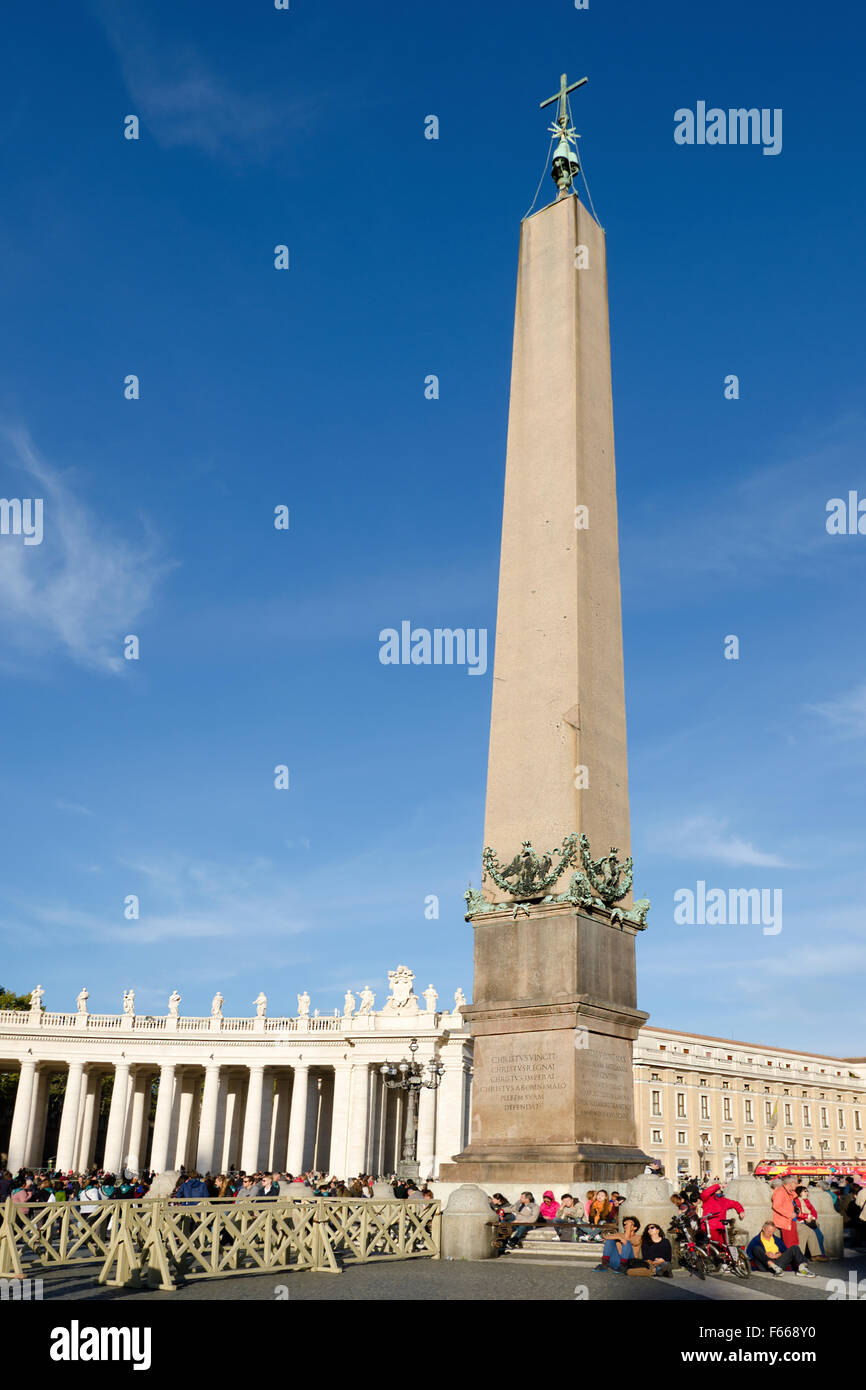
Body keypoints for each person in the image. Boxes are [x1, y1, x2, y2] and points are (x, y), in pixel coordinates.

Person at [746, 1221, 815, 1277]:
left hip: (778, 1263)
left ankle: (802, 1268)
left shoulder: (776, 1239)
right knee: (756, 1248)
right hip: (765, 1264)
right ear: (763, 1229)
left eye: (772, 1232)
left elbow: (785, 1251)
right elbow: (749, 1254)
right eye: (769, 1232)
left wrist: (779, 1254)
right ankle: (773, 1266)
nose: (770, 1234)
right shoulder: (756, 1240)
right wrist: (765, 1254)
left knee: (794, 1247)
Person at [793, 1185, 825, 1259]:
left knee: (820, 1236)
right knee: (813, 1235)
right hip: (801, 1222)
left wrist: (812, 1217)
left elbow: (813, 1211)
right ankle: (817, 1255)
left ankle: (820, 1254)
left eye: (807, 1191)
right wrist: (806, 1217)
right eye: (805, 1191)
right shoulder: (796, 1201)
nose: (807, 1193)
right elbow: (797, 1213)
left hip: (811, 1221)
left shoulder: (807, 1200)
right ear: (799, 1192)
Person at [771, 1176, 800, 1249]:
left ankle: (796, 1258)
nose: (797, 1185)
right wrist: (789, 1214)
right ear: (791, 1184)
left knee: (794, 1242)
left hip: (790, 1220)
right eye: (796, 1183)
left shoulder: (789, 1192)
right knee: (789, 1243)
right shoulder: (780, 1191)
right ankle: (791, 1259)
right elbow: (776, 1206)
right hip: (785, 1221)